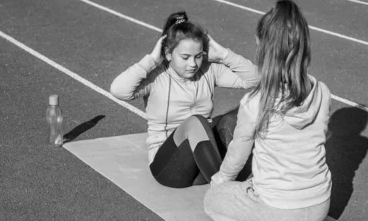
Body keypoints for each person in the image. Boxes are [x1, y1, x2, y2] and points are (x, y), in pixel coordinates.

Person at [204, 0, 332, 221]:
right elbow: (319, 137)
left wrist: (221, 181)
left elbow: (238, 153)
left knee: (211, 203)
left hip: (279, 211)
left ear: (264, 49)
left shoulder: (256, 101)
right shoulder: (323, 92)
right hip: (320, 204)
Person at [110, 11, 258, 188]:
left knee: (239, 113)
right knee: (195, 122)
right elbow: (119, 91)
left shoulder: (208, 70)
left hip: (201, 166)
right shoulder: (155, 77)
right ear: (168, 54)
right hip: (170, 169)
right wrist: (151, 60)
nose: (193, 64)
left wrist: (223, 54)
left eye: (198, 56)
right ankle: (224, 189)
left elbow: (256, 78)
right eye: (185, 57)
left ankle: (242, 177)